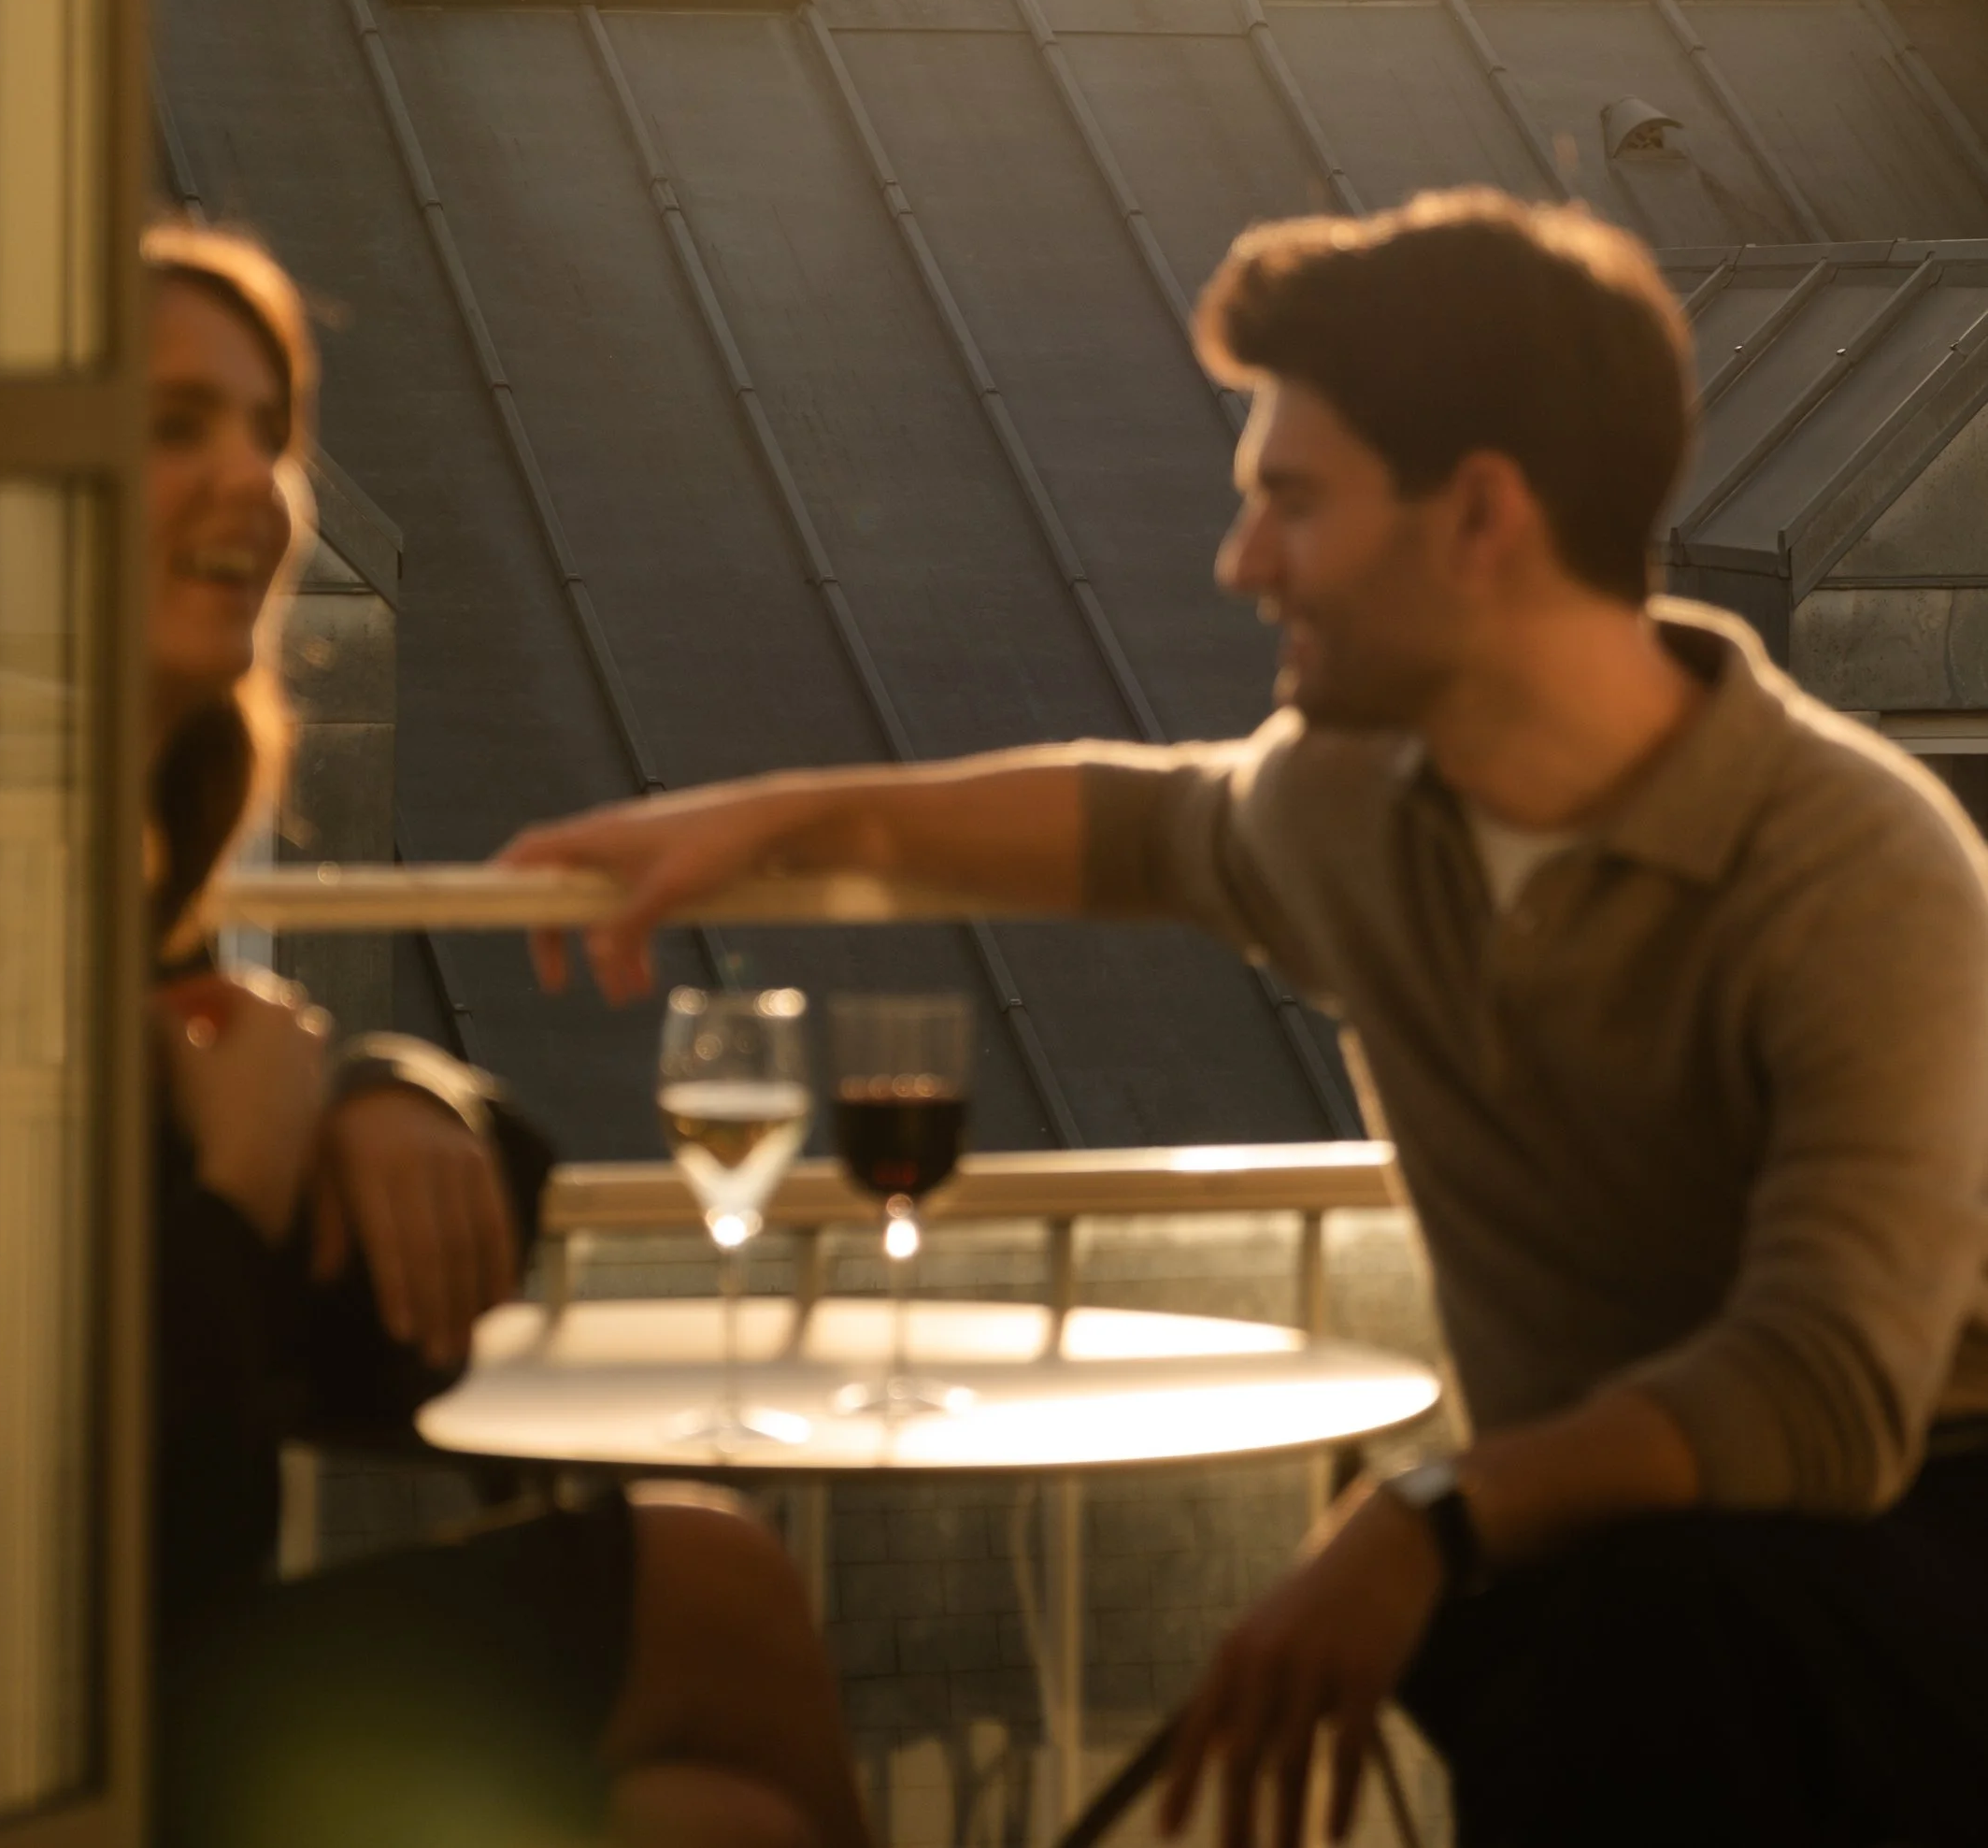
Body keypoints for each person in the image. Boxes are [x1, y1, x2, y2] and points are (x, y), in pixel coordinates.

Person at [497, 189, 1988, 1848]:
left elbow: (1827, 1395)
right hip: (1590, 1590)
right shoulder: (1354, 809)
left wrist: (1423, 1521)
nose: (1239, 563)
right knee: (1591, 1642)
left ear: (1482, 517)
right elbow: (1130, 825)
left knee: (1635, 1641)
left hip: (1902, 1583)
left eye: (1292, 503)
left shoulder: (1855, 864)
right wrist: (758, 824)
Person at [138, 222, 875, 1848]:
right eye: (172, 425)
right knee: (716, 1575)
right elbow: (107, 1479)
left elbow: (404, 1325)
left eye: (271, 432)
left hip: (168, 1679)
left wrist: (395, 1098)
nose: (253, 485)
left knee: (713, 1819)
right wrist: (245, 1187)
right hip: (78, 1728)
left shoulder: (116, 891)